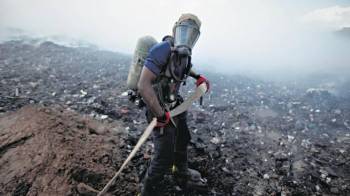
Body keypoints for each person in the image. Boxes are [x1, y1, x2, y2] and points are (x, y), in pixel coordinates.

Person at [137, 13, 210, 195]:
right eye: (184, 30)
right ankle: (147, 191)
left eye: (192, 33)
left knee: (182, 138)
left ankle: (181, 171)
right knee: (164, 156)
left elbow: (185, 67)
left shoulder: (184, 53)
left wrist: (197, 77)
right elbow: (143, 84)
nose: (187, 36)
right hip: (158, 107)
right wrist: (160, 115)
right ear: (175, 30)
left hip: (174, 104)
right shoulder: (162, 49)